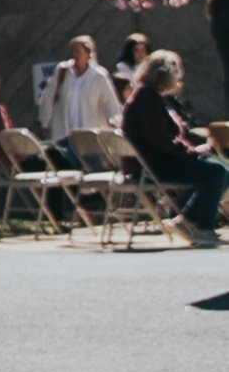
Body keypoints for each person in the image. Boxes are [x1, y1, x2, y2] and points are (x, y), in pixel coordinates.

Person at [123, 51, 228, 242]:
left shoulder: (150, 95)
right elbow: (159, 138)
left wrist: (193, 150)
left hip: (158, 160)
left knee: (221, 167)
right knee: (218, 171)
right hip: (155, 165)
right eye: (176, 71)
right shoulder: (148, 98)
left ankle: (186, 219)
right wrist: (191, 151)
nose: (179, 76)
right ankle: (203, 227)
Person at [42, 35, 125, 151]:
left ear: (88, 54)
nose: (75, 55)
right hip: (64, 132)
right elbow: (48, 97)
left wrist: (114, 120)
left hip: (88, 133)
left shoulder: (99, 76)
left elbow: (109, 102)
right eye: (73, 51)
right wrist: (45, 122)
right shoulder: (63, 71)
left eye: (78, 51)